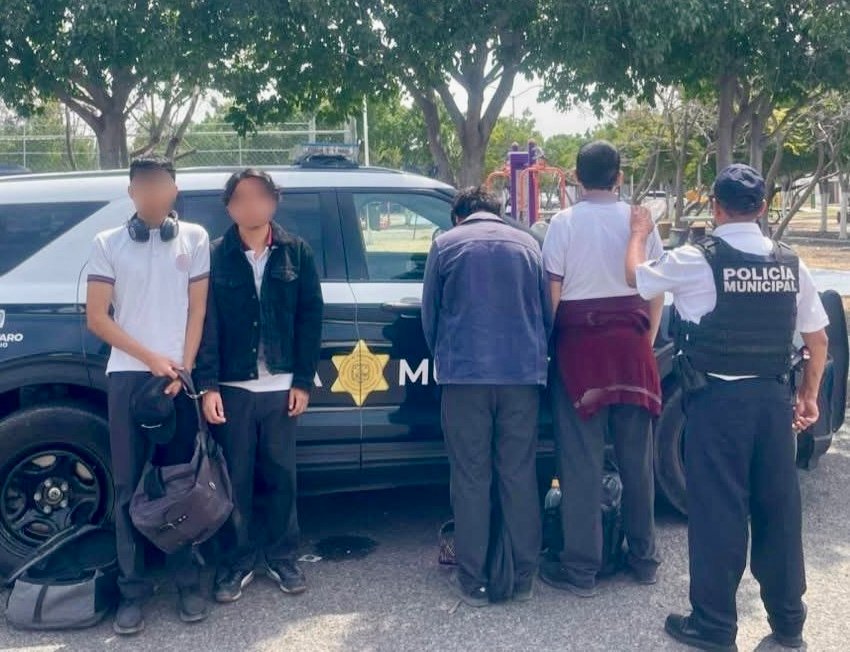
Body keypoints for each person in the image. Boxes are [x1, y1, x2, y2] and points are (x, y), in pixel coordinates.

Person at [626, 163, 829, 651]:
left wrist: (639, 233)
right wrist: (807, 396)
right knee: (779, 512)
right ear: (763, 208)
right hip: (773, 404)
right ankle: (788, 624)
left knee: (718, 512)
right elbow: (818, 339)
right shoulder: (790, 263)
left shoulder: (696, 259)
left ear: (715, 207)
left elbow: (637, 279)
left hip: (717, 404)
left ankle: (714, 626)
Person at [86, 156, 210, 634]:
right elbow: (97, 318)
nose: (154, 194)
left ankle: (187, 582)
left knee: (180, 483)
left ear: (174, 190)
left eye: (162, 185)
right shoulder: (107, 242)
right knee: (128, 486)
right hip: (128, 377)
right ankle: (133, 591)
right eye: (144, 186)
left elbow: (197, 311)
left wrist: (184, 368)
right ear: (132, 193)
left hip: (178, 379)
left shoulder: (195, 238)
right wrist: (151, 358)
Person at [194, 168, 323, 603]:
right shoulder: (214, 256)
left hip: (282, 384)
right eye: (242, 198)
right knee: (236, 478)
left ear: (274, 201)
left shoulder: (296, 252)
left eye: (260, 196)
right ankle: (237, 561)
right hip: (233, 386)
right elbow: (205, 323)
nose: (252, 205)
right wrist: (208, 384)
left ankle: (283, 557)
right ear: (229, 206)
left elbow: (310, 318)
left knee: (282, 476)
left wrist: (302, 380)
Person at [539, 140, 662, 597]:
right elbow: (655, 289)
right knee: (637, 460)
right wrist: (645, 341)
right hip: (632, 348)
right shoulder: (640, 222)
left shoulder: (563, 224)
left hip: (580, 352)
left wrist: (555, 347)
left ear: (576, 178)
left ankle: (581, 569)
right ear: (619, 178)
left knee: (580, 462)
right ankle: (644, 559)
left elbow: (553, 295)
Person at [421, 186, 551, 606]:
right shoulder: (530, 245)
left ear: (458, 216)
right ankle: (524, 576)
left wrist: (447, 357)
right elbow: (546, 315)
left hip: (465, 378)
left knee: (471, 477)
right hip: (521, 377)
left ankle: (473, 579)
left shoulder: (446, 244)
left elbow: (430, 317)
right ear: (498, 211)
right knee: (518, 473)